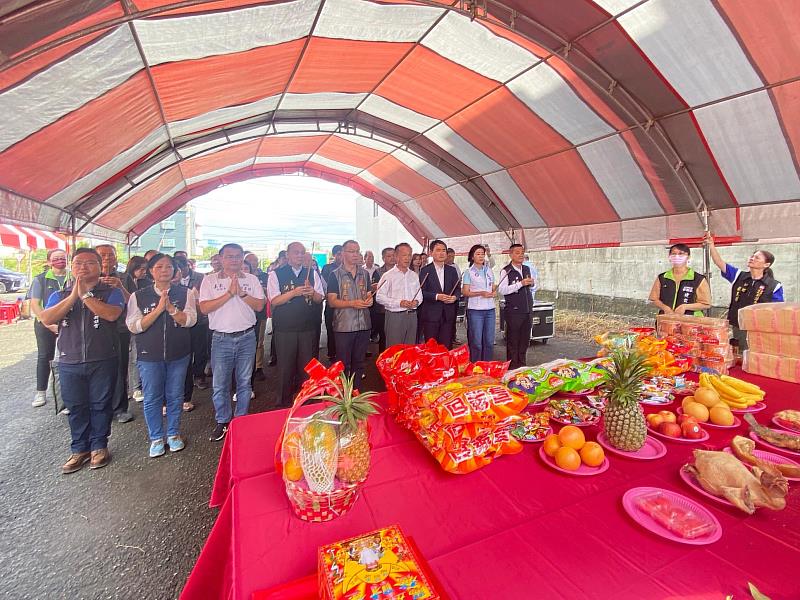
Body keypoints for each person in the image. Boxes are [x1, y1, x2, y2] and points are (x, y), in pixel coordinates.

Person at [40, 248, 125, 473]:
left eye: (89, 263)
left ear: (100, 267)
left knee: (100, 404)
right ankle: (79, 449)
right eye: (78, 263)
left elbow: (111, 314)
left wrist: (86, 296)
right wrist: (73, 296)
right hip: (69, 360)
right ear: (71, 266)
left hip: (103, 357)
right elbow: (46, 318)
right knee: (75, 406)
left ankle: (99, 445)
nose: (83, 267)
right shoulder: (59, 295)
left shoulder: (110, 292)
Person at [126, 254, 197, 457]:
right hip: (149, 355)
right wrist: (158, 310)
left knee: (175, 395)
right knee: (152, 397)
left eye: (169, 267)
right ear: (151, 271)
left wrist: (172, 309)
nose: (164, 270)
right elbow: (134, 326)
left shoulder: (185, 293)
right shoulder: (139, 296)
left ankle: (173, 433)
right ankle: (156, 437)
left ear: (175, 270)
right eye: (159, 266)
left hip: (179, 353)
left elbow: (190, 320)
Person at [199, 243, 265, 441]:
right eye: (229, 256)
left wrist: (241, 293)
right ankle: (223, 421)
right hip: (221, 339)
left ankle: (241, 419)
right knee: (220, 383)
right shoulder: (209, 280)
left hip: (246, 336)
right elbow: (204, 308)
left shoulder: (251, 279)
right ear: (220, 258)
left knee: (244, 381)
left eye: (238, 256)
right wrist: (229, 293)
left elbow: (260, 305)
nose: (234, 260)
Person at [268, 242, 324, 406]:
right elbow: (275, 300)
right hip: (285, 330)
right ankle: (283, 405)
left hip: (307, 328)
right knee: (285, 369)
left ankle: (307, 403)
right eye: (296, 252)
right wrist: (295, 292)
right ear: (287, 254)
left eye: (302, 253)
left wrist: (312, 292)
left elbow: (320, 298)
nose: (299, 256)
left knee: (307, 369)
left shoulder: (312, 273)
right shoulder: (276, 274)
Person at [706, 233, 784, 351]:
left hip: (758, 329)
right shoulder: (739, 276)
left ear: (766, 264)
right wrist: (711, 245)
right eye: (752, 256)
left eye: (757, 258)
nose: (752, 258)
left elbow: (777, 310)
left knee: (753, 355)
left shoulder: (774, 285)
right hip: (737, 325)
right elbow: (720, 263)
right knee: (739, 354)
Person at [96, 244, 134, 423]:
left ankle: (120, 408)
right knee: (97, 369)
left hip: (119, 329)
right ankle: (99, 408)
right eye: (102, 255)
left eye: (110, 255)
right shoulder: (86, 278)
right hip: (94, 331)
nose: (107, 258)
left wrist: (119, 286)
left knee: (120, 368)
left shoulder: (125, 277)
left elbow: (135, 303)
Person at [326, 240, 372, 382]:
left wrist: (370, 300)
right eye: (352, 251)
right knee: (343, 364)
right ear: (343, 253)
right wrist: (352, 303)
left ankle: (356, 394)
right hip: (344, 326)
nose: (355, 254)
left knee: (359, 363)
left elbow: (369, 294)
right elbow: (332, 301)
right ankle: (344, 397)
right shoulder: (335, 275)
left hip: (364, 324)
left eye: (357, 251)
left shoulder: (364, 274)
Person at [29, 248, 68, 408]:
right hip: (44, 324)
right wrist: (48, 323)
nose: (60, 261)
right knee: (45, 356)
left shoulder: (72, 277)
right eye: (56, 258)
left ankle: (64, 397)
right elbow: (34, 304)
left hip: (66, 323)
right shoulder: (41, 279)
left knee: (65, 358)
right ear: (49, 261)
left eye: (62, 258)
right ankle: (41, 392)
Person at [174, 256, 206, 408]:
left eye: (183, 268)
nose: (179, 272)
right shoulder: (168, 284)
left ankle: (199, 376)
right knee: (182, 359)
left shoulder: (200, 277)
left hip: (198, 321)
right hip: (177, 328)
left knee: (199, 350)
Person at [376, 243, 422, 347]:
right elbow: (379, 296)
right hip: (395, 317)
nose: (407, 258)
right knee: (394, 349)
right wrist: (399, 303)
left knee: (410, 349)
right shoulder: (388, 275)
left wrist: (416, 302)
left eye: (409, 255)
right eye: (404, 255)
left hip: (412, 316)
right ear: (396, 257)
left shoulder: (414, 275)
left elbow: (420, 295)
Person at [648, 243, 711, 317]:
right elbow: (654, 299)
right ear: (669, 257)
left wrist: (685, 307)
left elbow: (706, 304)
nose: (677, 256)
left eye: (681, 254)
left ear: (688, 257)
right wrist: (665, 308)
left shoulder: (698, 279)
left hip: (691, 321)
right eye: (674, 254)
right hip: (667, 319)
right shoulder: (662, 277)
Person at [498, 244, 535, 369]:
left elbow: (533, 287)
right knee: (513, 340)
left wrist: (532, 284)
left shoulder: (526, 269)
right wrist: (520, 284)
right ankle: (512, 367)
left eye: (522, 252)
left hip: (527, 310)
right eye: (517, 252)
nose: (520, 255)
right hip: (514, 311)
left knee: (525, 340)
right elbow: (502, 290)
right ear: (511, 254)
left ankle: (522, 366)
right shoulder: (506, 270)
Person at [419, 240, 460, 348]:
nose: (441, 253)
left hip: (448, 314)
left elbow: (458, 289)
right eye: (438, 250)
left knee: (446, 346)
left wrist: (454, 297)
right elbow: (421, 292)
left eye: (443, 250)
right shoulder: (425, 270)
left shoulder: (452, 270)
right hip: (431, 315)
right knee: (431, 347)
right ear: (431, 252)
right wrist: (437, 296)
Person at [462, 244, 496, 362]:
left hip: (490, 309)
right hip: (476, 310)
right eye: (478, 254)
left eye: (483, 254)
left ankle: (487, 366)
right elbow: (465, 292)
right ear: (472, 257)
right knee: (477, 343)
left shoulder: (489, 270)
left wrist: (493, 291)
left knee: (489, 342)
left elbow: (493, 286)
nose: (481, 256)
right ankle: (475, 366)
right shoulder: (468, 272)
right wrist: (481, 293)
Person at [124, 256, 150, 404]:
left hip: (143, 322)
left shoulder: (146, 282)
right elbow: (131, 301)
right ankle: (134, 387)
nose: (144, 272)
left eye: (145, 269)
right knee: (131, 357)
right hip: (125, 323)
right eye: (141, 269)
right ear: (133, 268)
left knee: (138, 354)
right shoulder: (124, 280)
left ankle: (138, 386)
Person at [245, 252, 269, 379]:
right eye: (249, 261)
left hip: (260, 314)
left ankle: (258, 366)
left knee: (259, 342)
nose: (253, 263)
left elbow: (268, 293)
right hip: (243, 316)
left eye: (255, 261)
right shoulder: (238, 279)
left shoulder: (264, 276)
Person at [370, 247, 395, 351]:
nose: (392, 258)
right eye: (389, 256)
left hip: (397, 308)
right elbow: (375, 290)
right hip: (382, 310)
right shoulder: (378, 272)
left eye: (394, 255)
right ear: (383, 258)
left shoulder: (402, 270)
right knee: (384, 336)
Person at [321, 244, 343, 361]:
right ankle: (332, 353)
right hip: (331, 304)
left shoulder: (349, 267)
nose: (341, 256)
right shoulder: (327, 268)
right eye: (338, 254)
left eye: (342, 253)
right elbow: (324, 285)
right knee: (331, 328)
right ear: (334, 255)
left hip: (345, 305)